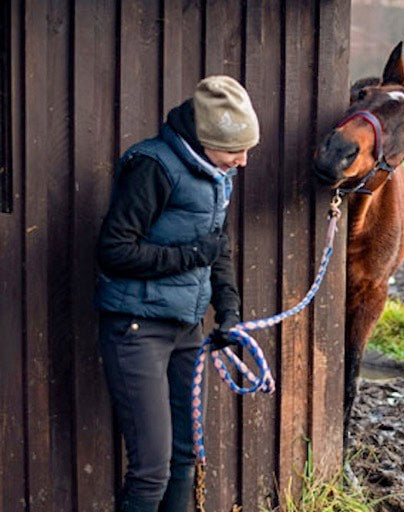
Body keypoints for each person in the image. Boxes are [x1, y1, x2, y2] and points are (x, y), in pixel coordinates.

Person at [94, 75, 259, 512]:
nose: (242, 161)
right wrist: (190, 255)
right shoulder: (153, 166)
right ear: (205, 141)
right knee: (151, 471)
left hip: (187, 328)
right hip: (137, 329)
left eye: (247, 150)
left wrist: (228, 310)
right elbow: (113, 251)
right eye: (235, 151)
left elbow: (216, 248)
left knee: (186, 457)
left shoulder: (217, 174)